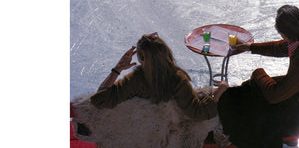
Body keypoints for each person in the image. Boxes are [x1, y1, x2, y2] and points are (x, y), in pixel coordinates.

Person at [217, 5, 299, 148]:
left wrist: (258, 73)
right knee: (254, 89)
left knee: (254, 97)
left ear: (283, 34)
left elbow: (275, 95)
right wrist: (250, 47)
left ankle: (231, 131)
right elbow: (282, 47)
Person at [90, 32, 229, 120]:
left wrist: (118, 69)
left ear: (140, 58)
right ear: (166, 53)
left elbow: (100, 99)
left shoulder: (136, 80)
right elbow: (198, 113)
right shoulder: (177, 79)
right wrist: (221, 90)